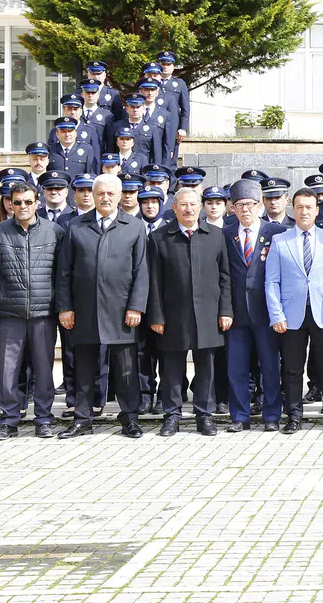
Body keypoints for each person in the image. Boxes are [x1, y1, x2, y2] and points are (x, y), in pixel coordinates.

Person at [55, 174, 148, 439]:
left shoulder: (134, 226)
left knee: (126, 369)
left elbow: (141, 270)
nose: (105, 198)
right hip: (85, 309)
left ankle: (129, 418)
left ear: (120, 197)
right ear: (92, 196)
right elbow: (64, 272)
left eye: (111, 193)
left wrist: (136, 307)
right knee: (83, 367)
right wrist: (65, 307)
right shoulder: (76, 226)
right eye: (100, 194)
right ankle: (82, 419)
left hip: (121, 311)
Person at [0, 182, 63, 440]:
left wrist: (62, 308)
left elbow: (62, 275)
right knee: (8, 369)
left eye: (28, 202)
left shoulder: (54, 232)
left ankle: (44, 419)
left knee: (44, 368)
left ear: (37, 202)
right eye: (17, 202)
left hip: (43, 314)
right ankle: (8, 419)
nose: (23, 207)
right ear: (9, 204)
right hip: (8, 314)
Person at [146, 187, 233, 437]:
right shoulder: (160, 238)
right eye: (183, 205)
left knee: (206, 367)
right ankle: (172, 415)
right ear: (174, 208)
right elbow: (154, 281)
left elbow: (225, 278)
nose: (188, 209)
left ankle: (203, 415)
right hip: (173, 315)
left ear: (201, 207)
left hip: (208, 313)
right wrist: (156, 316)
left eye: (193, 204)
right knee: (172, 368)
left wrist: (225, 311)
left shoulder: (216, 236)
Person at [267, 188, 323, 434]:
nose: (304, 211)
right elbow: (271, 281)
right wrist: (276, 314)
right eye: (299, 207)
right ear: (293, 209)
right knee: (291, 368)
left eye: (309, 207)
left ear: (317, 210)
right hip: (291, 314)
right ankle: (294, 416)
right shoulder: (280, 240)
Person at [223, 179, 285, 433]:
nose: (245, 210)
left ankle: (271, 415)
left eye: (250, 204)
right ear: (233, 208)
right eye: (240, 205)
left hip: (266, 311)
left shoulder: (276, 233)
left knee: (270, 366)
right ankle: (239, 415)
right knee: (236, 367)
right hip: (236, 313)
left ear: (260, 205)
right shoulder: (224, 234)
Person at [155, 51, 191, 152]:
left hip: (172, 126)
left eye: (168, 64)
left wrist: (183, 128)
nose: (165, 67)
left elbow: (185, 108)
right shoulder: (152, 84)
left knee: (170, 156)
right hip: (154, 124)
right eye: (163, 64)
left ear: (173, 66)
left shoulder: (179, 84)